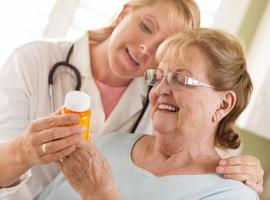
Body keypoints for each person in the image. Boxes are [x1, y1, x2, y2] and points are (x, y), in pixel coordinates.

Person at [0, 0, 263, 199]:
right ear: (124, 13)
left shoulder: (227, 191)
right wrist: (24, 150)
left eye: (180, 78)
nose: (146, 48)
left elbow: (209, 147)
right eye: (146, 27)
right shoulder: (33, 62)